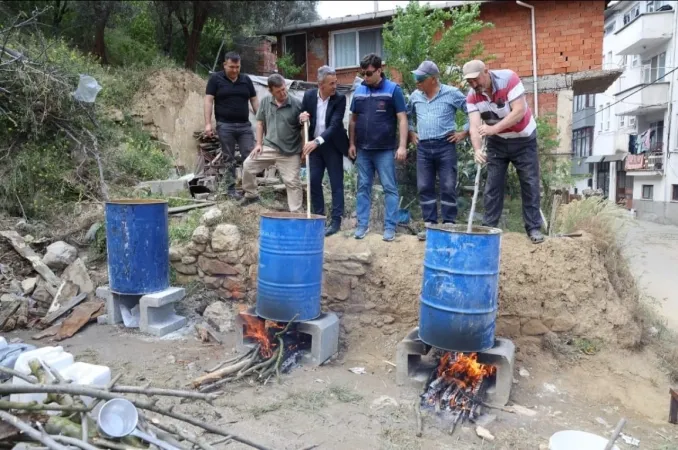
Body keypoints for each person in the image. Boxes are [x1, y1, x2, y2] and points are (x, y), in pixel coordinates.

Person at [463, 59, 544, 244]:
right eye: (469, 82)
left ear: (486, 71)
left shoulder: (509, 79)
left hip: (524, 140)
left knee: (530, 183)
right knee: (493, 185)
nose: (474, 85)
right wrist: (476, 150)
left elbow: (519, 111)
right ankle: (488, 228)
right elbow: (474, 127)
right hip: (497, 143)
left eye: (476, 79)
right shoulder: (472, 97)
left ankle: (533, 228)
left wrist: (493, 129)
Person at [349, 53, 408, 242]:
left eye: (369, 73)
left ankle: (390, 227)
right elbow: (353, 120)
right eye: (363, 73)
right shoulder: (359, 91)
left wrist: (402, 146)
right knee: (363, 187)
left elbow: (402, 118)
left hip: (384, 150)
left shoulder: (393, 90)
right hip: (363, 150)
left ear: (379, 71)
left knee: (389, 187)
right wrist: (351, 143)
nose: (365, 77)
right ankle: (362, 226)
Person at [407, 61, 469, 241]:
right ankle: (430, 226)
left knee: (448, 186)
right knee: (424, 186)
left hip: (445, 146)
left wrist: (463, 132)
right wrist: (411, 132)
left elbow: (470, 111)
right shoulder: (415, 96)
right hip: (424, 147)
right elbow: (407, 114)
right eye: (415, 78)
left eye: (421, 78)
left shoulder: (452, 93)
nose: (417, 81)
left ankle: (449, 224)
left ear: (433, 79)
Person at [240, 74, 303, 212]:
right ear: (271, 91)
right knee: (248, 165)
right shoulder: (266, 102)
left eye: (284, 89)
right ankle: (251, 194)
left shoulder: (297, 104)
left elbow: (304, 128)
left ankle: (296, 213)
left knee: (292, 183)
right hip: (269, 146)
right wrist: (258, 144)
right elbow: (260, 123)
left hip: (290, 152)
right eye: (278, 91)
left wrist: (303, 148)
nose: (283, 93)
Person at [299, 65, 350, 237]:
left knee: (336, 183)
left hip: (332, 145)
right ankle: (319, 217)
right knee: (313, 180)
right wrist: (301, 118)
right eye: (331, 84)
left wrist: (317, 142)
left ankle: (336, 221)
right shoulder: (308, 96)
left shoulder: (340, 99)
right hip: (314, 147)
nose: (335, 86)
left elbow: (335, 126)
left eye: (336, 83)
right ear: (320, 85)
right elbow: (302, 115)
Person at [204, 52, 259, 199]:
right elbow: (208, 101)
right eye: (232, 67)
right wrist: (208, 124)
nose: (235, 70)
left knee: (250, 157)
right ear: (225, 65)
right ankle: (231, 190)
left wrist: (261, 119)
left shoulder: (246, 80)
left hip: (244, 126)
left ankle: (251, 191)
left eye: (237, 67)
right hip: (225, 125)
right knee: (229, 158)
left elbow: (254, 100)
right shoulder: (216, 79)